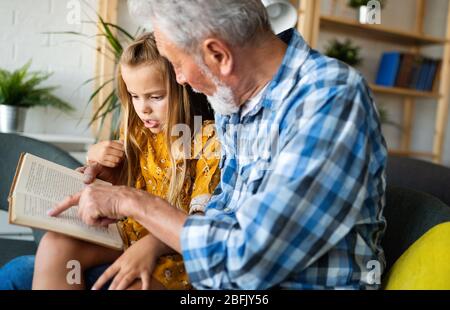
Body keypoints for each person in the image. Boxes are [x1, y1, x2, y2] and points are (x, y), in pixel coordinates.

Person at [3, 0, 387, 290]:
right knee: (34, 267)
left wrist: (131, 201)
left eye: (177, 64)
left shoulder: (327, 98)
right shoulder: (236, 104)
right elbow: (217, 217)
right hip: (217, 285)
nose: (182, 81)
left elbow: (248, 261)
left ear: (218, 55)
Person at [6, 32, 220, 290]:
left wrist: (150, 246)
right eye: (134, 96)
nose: (143, 109)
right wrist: (100, 174)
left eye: (155, 96)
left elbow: (201, 225)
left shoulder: (208, 139)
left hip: (176, 253)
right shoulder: (138, 132)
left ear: (183, 85)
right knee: (55, 244)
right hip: (126, 236)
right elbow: (125, 189)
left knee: (127, 284)